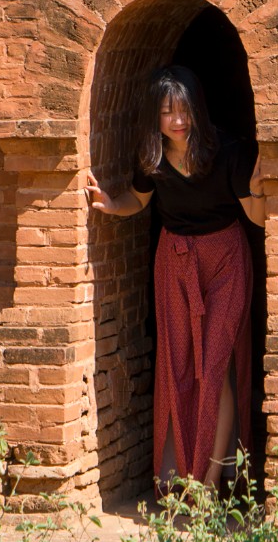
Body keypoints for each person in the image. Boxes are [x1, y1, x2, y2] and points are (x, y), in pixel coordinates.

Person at [86, 65, 264, 491]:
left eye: (184, 110)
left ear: (198, 110)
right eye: (167, 112)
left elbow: (257, 218)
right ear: (155, 117)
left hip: (226, 260)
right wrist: (109, 203)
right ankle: (184, 469)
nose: (177, 120)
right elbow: (138, 201)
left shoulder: (230, 152)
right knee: (182, 366)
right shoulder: (153, 160)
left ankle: (207, 482)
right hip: (175, 262)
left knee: (215, 366)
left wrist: (257, 187)